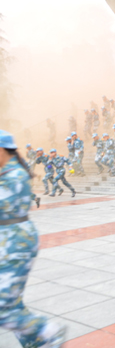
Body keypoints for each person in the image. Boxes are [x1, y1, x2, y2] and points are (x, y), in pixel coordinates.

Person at [0, 130, 67, 347]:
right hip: (10, 241)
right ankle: (35, 343)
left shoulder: (15, 175)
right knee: (12, 304)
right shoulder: (7, 173)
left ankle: (47, 331)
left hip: (16, 244)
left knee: (3, 309)